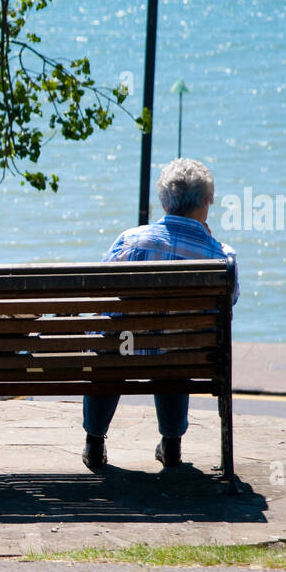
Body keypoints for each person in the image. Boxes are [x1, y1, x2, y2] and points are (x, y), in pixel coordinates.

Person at [82, 158, 239, 472]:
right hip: (180, 354)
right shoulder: (221, 256)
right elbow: (229, 302)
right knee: (175, 351)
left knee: (109, 347)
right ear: (207, 202)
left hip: (123, 348)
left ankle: (95, 442)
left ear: (164, 201)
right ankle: (171, 444)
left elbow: (102, 295)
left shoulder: (128, 240)